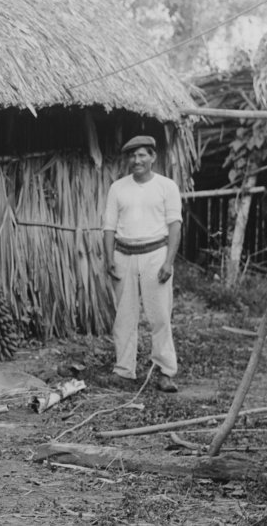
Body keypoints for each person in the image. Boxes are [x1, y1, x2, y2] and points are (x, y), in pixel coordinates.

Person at [102, 135, 183, 392]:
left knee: (159, 314)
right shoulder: (118, 188)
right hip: (123, 255)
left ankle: (165, 370)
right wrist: (108, 258)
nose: (136, 160)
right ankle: (124, 370)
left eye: (142, 155)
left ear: (152, 157)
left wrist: (169, 262)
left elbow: (175, 225)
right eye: (132, 156)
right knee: (124, 316)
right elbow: (109, 227)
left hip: (155, 254)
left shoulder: (166, 186)